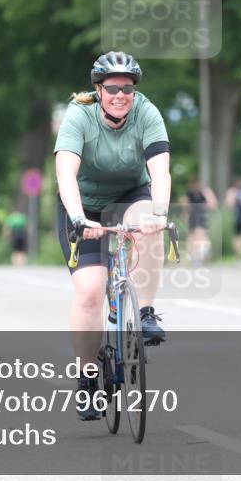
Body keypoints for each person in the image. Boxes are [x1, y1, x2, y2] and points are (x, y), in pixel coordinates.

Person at [54, 51, 171, 421]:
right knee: (89, 291)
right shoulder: (79, 114)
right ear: (98, 90)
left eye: (128, 88)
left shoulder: (147, 113)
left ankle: (147, 311)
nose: (121, 95)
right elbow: (65, 174)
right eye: (112, 88)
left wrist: (160, 213)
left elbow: (161, 172)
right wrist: (77, 218)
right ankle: (88, 380)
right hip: (83, 204)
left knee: (149, 220)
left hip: (129, 195)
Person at [181, 177, 218, 265]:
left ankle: (202, 254)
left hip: (202, 215)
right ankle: (195, 256)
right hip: (193, 216)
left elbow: (213, 204)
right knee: (192, 236)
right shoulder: (190, 193)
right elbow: (185, 204)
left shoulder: (205, 191)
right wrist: (185, 213)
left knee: (200, 234)